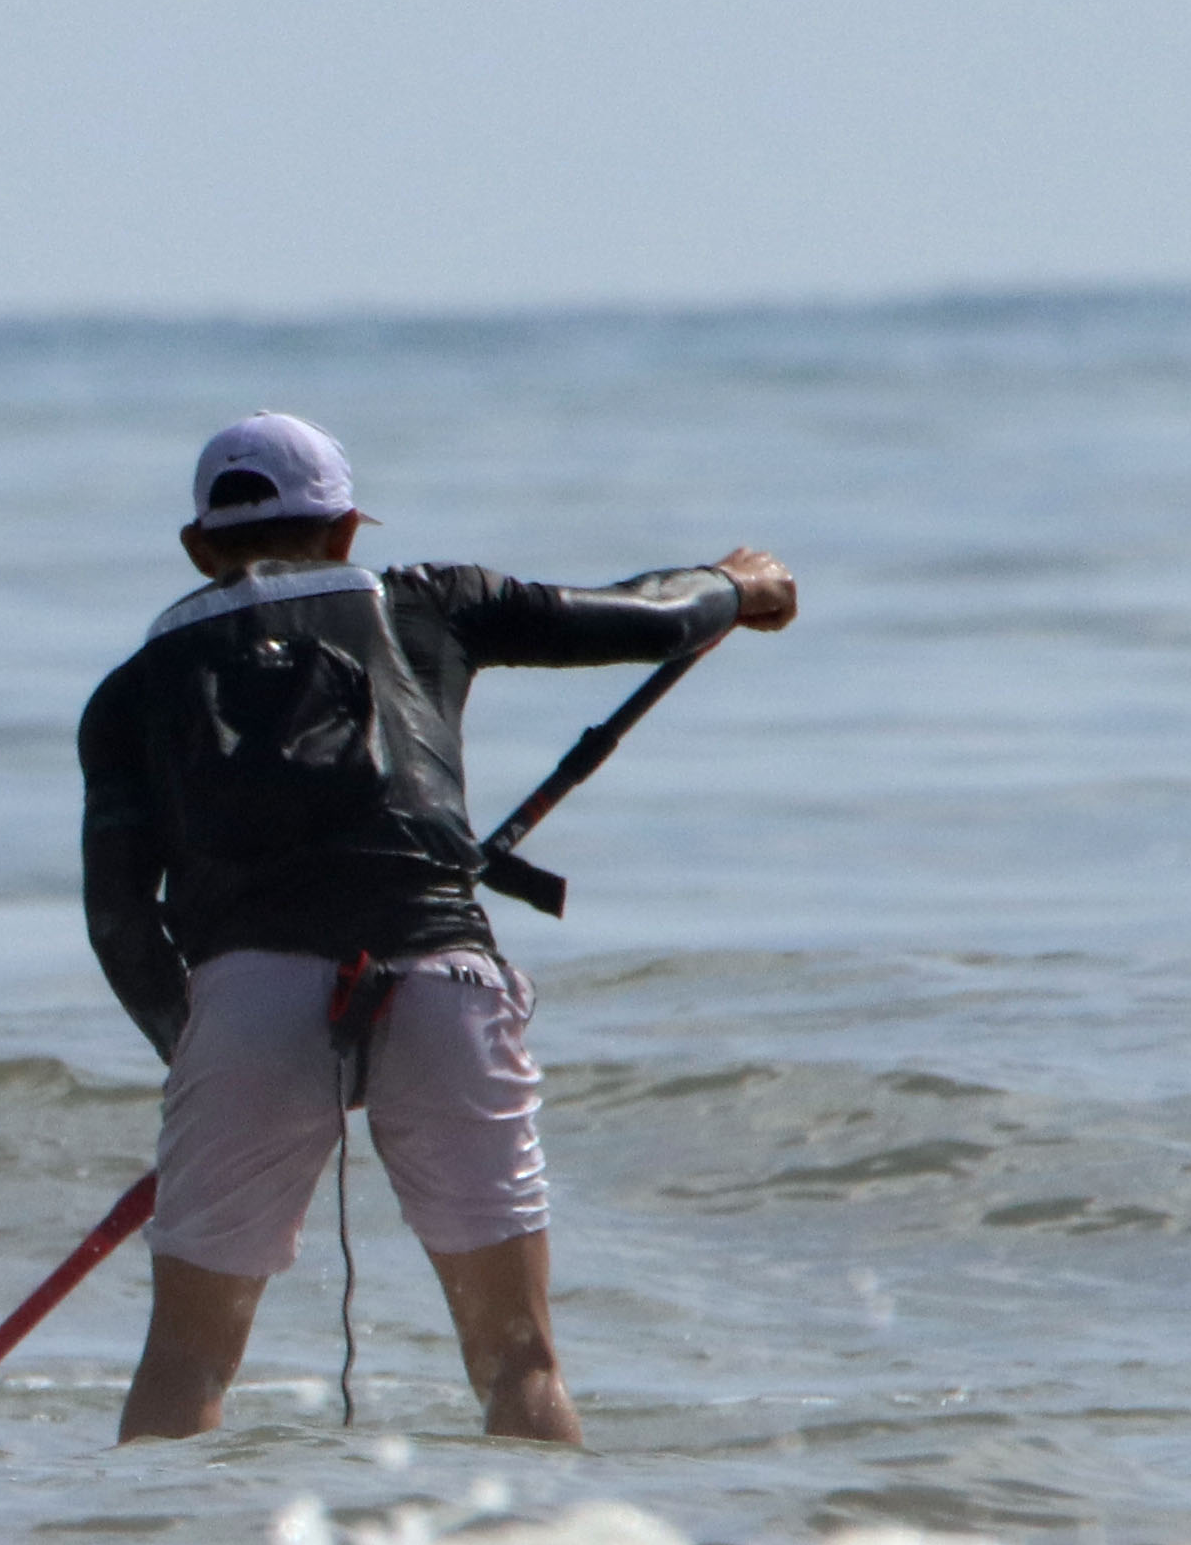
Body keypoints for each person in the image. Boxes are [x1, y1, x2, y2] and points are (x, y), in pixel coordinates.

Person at [77, 408, 793, 1444]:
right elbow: (644, 616)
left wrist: (194, 1053)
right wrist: (739, 585)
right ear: (347, 530)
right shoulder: (427, 603)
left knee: (185, 1360)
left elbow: (118, 923)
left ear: (198, 547)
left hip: (242, 1006)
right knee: (520, 1359)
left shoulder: (128, 695)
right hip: (438, 980)